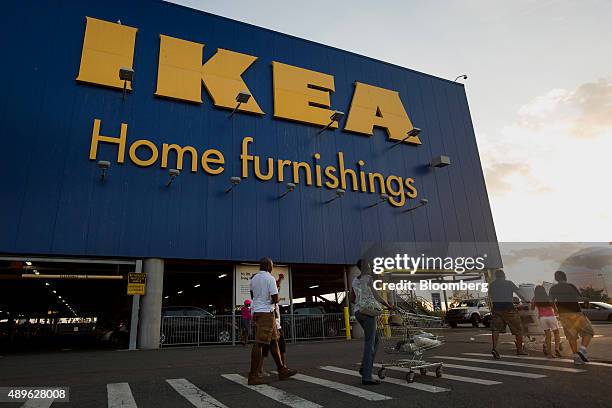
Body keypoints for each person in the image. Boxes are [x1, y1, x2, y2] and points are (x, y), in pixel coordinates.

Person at [248, 257, 297, 385]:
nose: (272, 267)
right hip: (266, 313)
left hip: (258, 311)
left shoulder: (254, 279)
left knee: (274, 342)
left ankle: (282, 369)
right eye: (272, 265)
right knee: (259, 343)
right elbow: (275, 298)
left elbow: (253, 296)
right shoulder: (269, 278)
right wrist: (277, 298)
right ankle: (253, 375)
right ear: (269, 266)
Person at [349, 260, 396, 385]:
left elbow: (352, 299)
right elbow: (377, 296)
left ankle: (365, 367)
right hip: (368, 313)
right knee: (370, 343)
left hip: (359, 312)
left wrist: (361, 300)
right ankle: (366, 377)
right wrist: (389, 306)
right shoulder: (368, 279)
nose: (370, 267)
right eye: (368, 265)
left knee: (375, 340)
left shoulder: (355, 280)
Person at [549, 270, 594, 365]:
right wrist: (586, 299)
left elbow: (551, 301)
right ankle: (582, 350)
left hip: (563, 314)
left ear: (556, 278)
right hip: (576, 312)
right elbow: (578, 298)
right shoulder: (571, 286)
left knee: (571, 336)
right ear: (565, 277)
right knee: (588, 331)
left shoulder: (553, 288)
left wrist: (556, 310)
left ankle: (576, 358)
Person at [488, 269, 529, 359]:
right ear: (504, 275)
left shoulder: (492, 285)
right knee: (518, 329)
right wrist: (526, 300)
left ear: (496, 276)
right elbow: (519, 293)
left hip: (496, 309)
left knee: (495, 330)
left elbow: (490, 296)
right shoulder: (509, 283)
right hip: (509, 309)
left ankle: (494, 348)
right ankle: (520, 350)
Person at [261, 274, 287, 375]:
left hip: (277, 326)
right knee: (266, 349)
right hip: (272, 326)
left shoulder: (271, 296)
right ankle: (260, 369)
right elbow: (275, 291)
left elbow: (276, 287)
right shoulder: (269, 299)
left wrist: (280, 280)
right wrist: (279, 280)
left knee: (282, 348)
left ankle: (283, 367)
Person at [531, 285, 561, 358]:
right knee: (556, 333)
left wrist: (533, 303)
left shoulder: (535, 298)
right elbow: (554, 307)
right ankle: (557, 348)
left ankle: (549, 354)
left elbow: (532, 308)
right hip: (551, 317)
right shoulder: (548, 297)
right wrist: (557, 312)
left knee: (548, 336)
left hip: (542, 318)